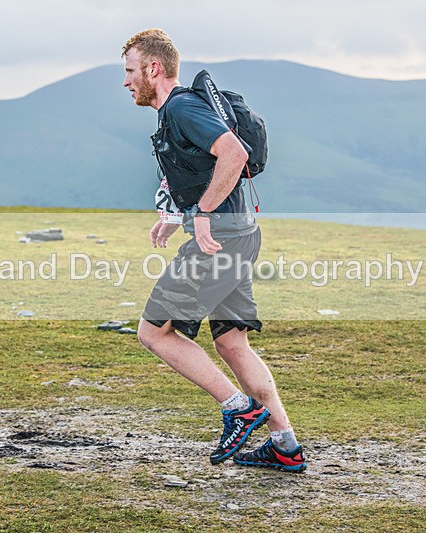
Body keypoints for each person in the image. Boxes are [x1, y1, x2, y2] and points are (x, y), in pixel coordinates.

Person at [121, 28, 306, 472]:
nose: (126, 82)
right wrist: (173, 212)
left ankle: (237, 408)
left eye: (129, 71)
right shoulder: (173, 114)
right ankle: (285, 444)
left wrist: (202, 212)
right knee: (232, 343)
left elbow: (233, 153)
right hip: (239, 235)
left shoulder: (182, 107)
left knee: (154, 333)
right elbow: (196, 164)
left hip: (217, 240)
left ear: (153, 68)